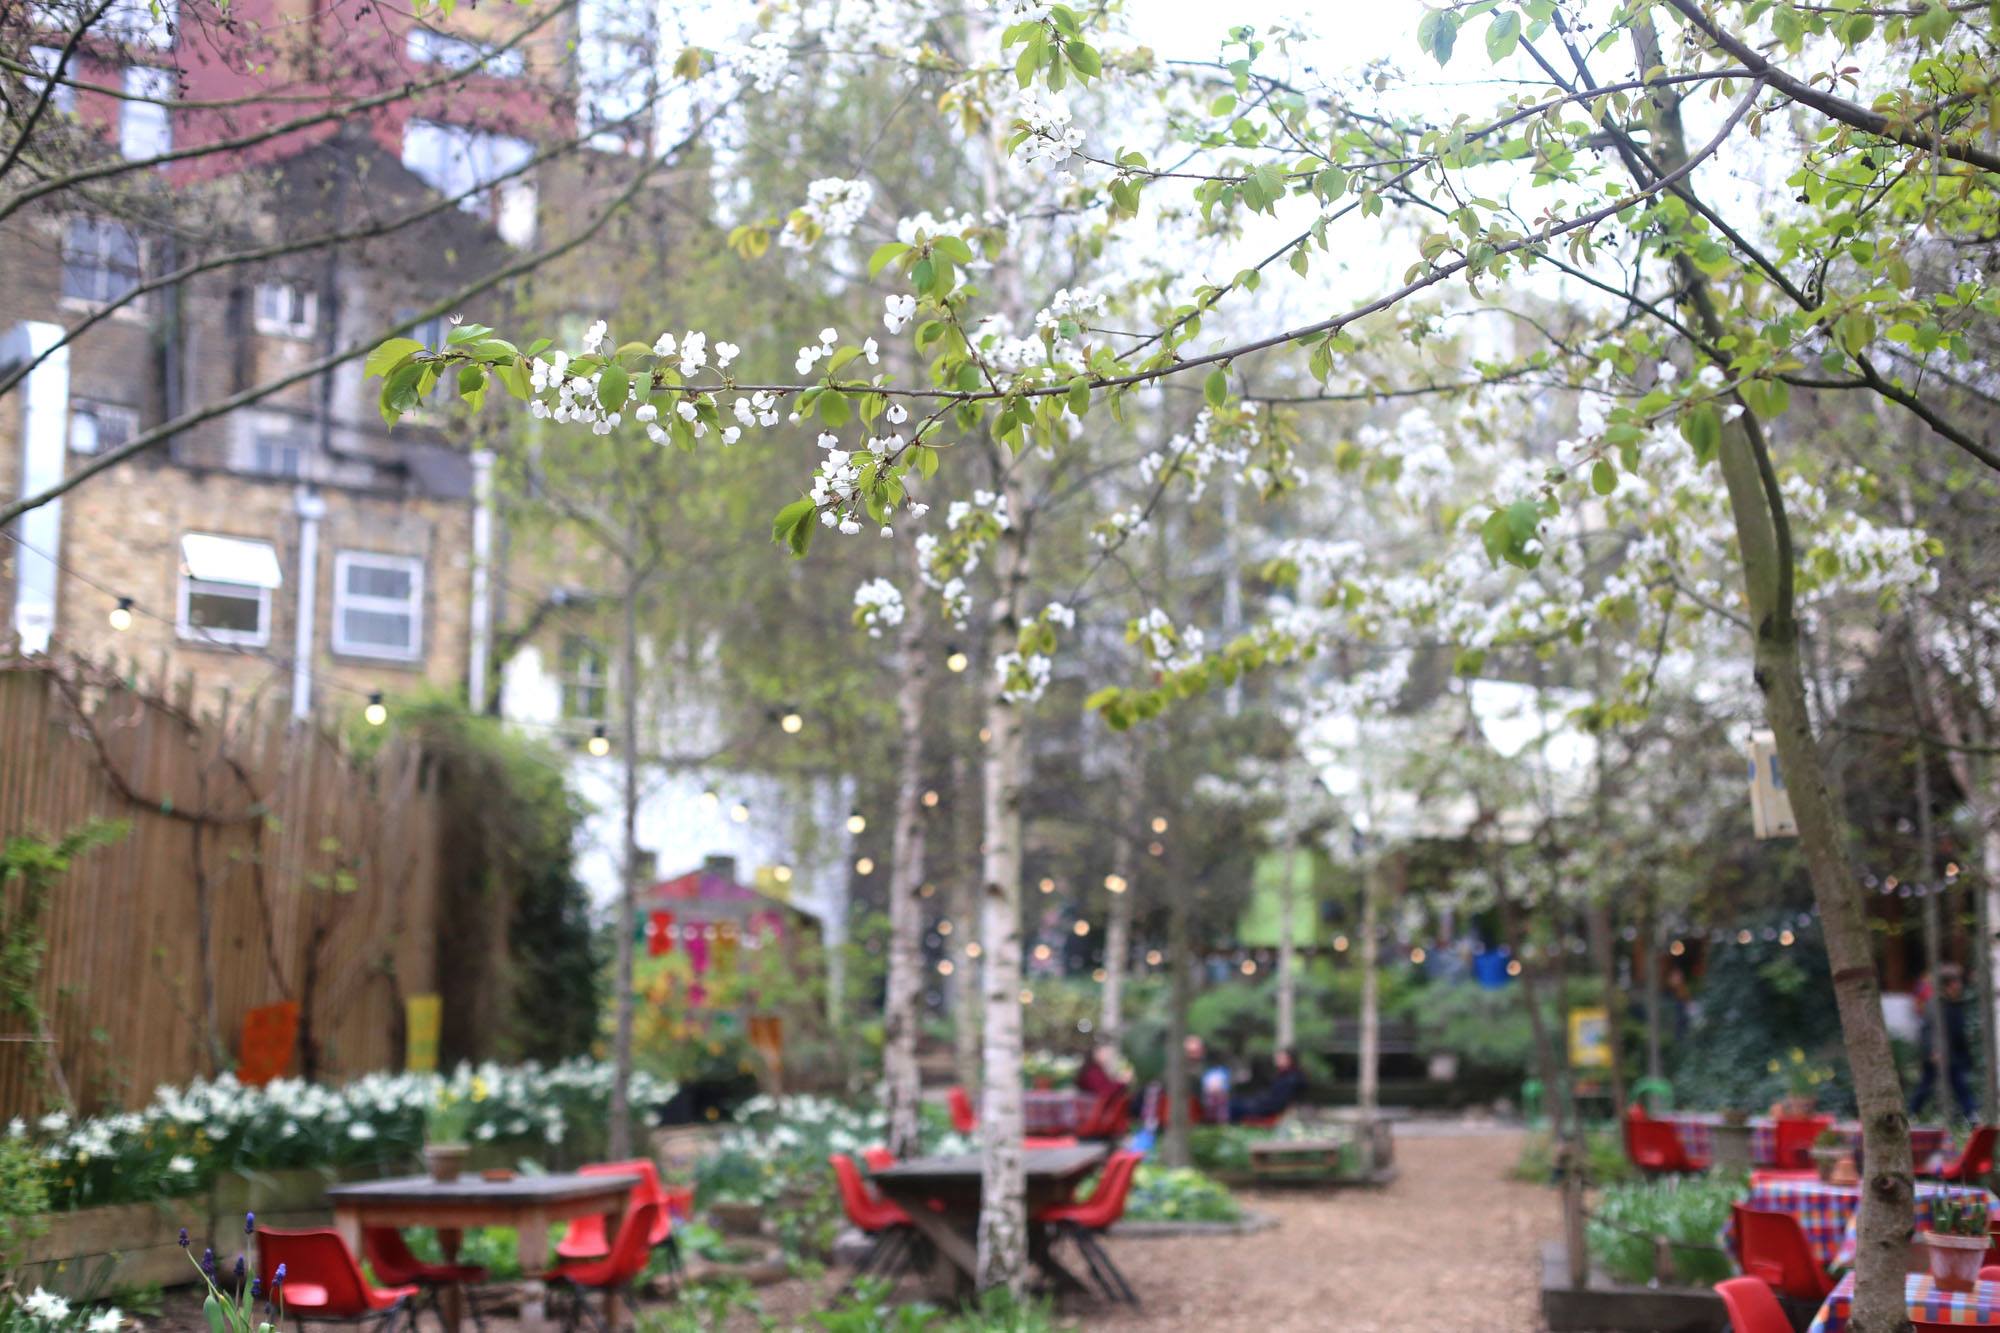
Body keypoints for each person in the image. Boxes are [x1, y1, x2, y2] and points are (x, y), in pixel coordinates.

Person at [1909, 964, 1977, 1121]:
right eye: (1954, 983)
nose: (1958, 986)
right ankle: (1911, 1114)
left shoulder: (1957, 1004)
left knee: (1960, 1086)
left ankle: (1971, 1115)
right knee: (1926, 1086)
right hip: (1938, 1054)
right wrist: (1932, 1051)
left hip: (1954, 1055)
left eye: (1959, 983)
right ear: (1946, 986)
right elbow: (1927, 1030)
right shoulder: (1935, 1005)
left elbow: (1959, 1032)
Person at [1230, 1048, 1307, 1124]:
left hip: (1269, 1110)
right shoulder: (1285, 1075)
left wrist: (1258, 1102)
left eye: (1281, 1057)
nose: (1277, 1059)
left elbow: (1278, 1102)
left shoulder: (1292, 1078)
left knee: (1234, 1105)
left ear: (1290, 1059)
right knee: (1236, 1101)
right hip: (1265, 1105)